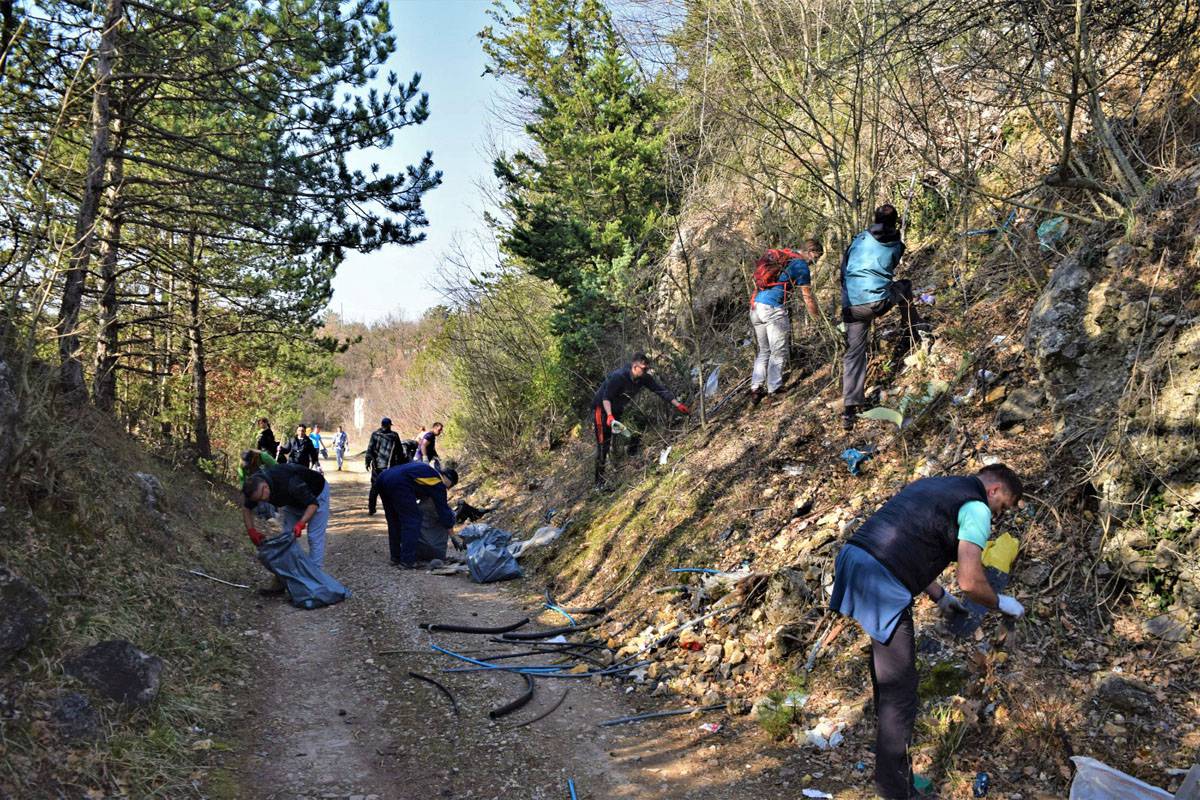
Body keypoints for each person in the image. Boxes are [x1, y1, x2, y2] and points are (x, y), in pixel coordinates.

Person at [829, 464, 1025, 800]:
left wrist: (940, 597)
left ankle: (890, 774)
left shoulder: (936, 485)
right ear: (993, 489)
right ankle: (897, 789)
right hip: (881, 579)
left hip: (855, 558)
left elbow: (908, 542)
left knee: (889, 672)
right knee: (901, 689)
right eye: (1003, 506)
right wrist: (1000, 602)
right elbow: (970, 581)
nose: (1000, 514)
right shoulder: (977, 507)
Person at [839, 204, 926, 431]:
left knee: (854, 354)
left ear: (874, 219)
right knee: (904, 286)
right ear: (896, 222)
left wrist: (847, 304)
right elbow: (891, 265)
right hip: (879, 303)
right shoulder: (897, 245)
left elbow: (843, 272)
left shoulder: (858, 240)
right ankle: (913, 332)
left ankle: (849, 410)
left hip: (853, 307)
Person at [591, 352, 690, 487]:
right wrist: (609, 415)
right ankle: (598, 483)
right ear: (634, 366)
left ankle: (630, 460)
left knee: (632, 433)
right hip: (601, 409)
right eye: (643, 369)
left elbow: (660, 390)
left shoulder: (644, 378)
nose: (645, 371)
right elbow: (606, 397)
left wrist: (677, 404)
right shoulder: (618, 377)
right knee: (603, 445)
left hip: (617, 409)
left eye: (647, 369)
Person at [748, 241, 824, 405]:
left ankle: (756, 388)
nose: (815, 262)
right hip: (772, 309)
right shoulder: (800, 265)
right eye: (816, 257)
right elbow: (807, 296)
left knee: (764, 351)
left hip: (755, 308)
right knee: (778, 350)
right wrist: (818, 319)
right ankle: (774, 388)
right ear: (810, 252)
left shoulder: (787, 255)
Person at [241, 462, 332, 570]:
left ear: (265, 486)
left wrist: (301, 523)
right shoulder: (253, 487)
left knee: (314, 537)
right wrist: (252, 531)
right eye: (258, 500)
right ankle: (286, 574)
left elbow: (313, 504)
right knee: (286, 537)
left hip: (317, 494)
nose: (261, 502)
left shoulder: (289, 482)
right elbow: (246, 508)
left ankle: (316, 576)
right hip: (292, 501)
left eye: (262, 498)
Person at [374, 461, 459, 569]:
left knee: (394, 520)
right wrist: (452, 535)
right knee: (412, 521)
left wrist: (372, 505)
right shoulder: (437, 482)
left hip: (383, 478)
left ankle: (395, 557)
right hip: (399, 482)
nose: (447, 489)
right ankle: (407, 561)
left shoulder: (427, 471)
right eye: (450, 486)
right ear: (448, 479)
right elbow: (443, 511)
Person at [365, 417, 404, 515]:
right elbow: (400, 452)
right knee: (390, 488)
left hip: (379, 466)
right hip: (389, 467)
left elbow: (370, 449)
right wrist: (401, 464)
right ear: (389, 425)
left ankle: (372, 509)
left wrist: (367, 461)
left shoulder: (376, 434)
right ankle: (390, 510)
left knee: (375, 488)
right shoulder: (394, 435)